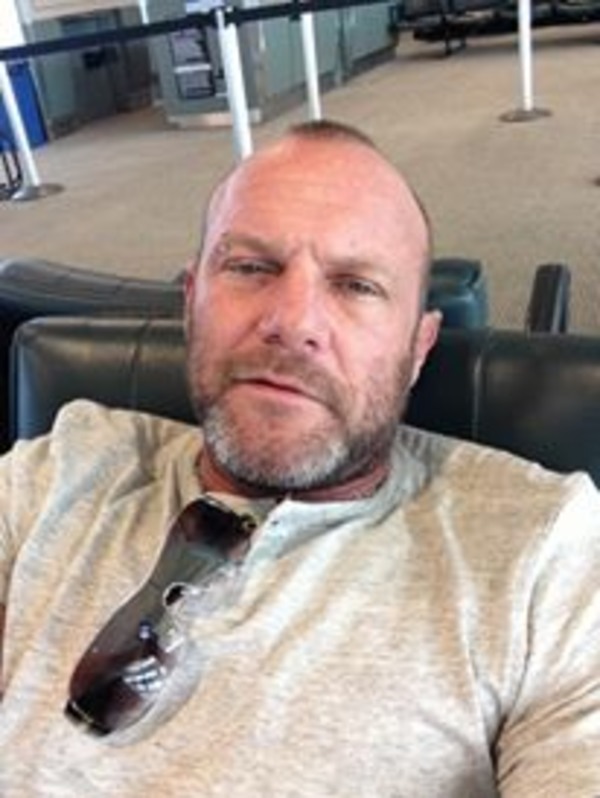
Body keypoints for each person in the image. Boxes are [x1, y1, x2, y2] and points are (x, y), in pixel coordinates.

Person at [1, 119, 600, 797]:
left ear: (419, 347)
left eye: (356, 285)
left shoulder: (540, 547)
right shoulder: (63, 469)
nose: (293, 321)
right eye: (251, 267)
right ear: (192, 303)